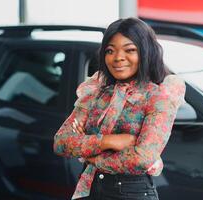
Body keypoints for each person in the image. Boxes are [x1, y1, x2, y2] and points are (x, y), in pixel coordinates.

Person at [53, 17, 186, 200]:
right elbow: (62, 142)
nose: (118, 58)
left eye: (129, 50)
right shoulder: (97, 91)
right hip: (92, 188)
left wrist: (92, 157)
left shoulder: (158, 96)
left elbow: (142, 158)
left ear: (146, 52)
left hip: (132, 192)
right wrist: (110, 141)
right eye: (110, 50)